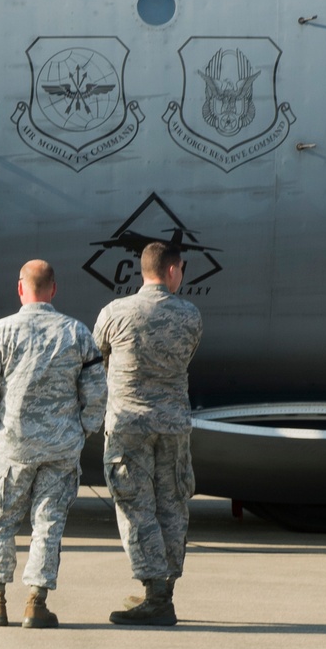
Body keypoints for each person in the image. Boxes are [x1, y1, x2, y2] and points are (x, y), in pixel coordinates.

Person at [0, 259, 107, 629]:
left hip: (11, 448)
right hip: (60, 449)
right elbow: (96, 393)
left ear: (20, 288)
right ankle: (36, 603)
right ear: (54, 290)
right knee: (49, 523)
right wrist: (82, 431)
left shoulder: (0, 332)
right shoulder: (77, 333)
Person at [93, 240, 203, 627]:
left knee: (136, 506)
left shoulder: (115, 312)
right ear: (172, 270)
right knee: (172, 503)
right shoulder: (190, 315)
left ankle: (155, 594)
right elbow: (186, 357)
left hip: (128, 426)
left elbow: (100, 358)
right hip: (173, 424)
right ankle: (164, 589)